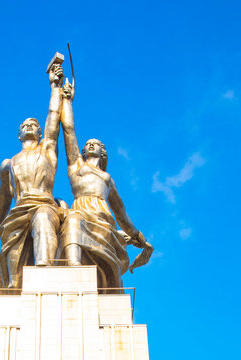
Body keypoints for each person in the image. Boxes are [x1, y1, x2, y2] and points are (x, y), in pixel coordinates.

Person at [0, 63, 64, 289]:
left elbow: (53, 117)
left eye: (34, 124)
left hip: (44, 204)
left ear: (40, 132)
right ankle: (16, 291)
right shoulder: (8, 164)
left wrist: (55, 87)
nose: (30, 126)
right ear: (19, 133)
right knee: (14, 281)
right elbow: (3, 201)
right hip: (17, 212)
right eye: (25, 125)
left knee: (43, 218)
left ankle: (45, 273)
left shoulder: (48, 152)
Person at [59, 80, 152, 289]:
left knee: (109, 273)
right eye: (87, 144)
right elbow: (68, 130)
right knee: (73, 219)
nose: (90, 144)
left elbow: (121, 213)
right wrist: (67, 100)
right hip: (81, 211)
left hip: (103, 219)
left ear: (103, 153)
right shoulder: (76, 167)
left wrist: (136, 234)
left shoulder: (107, 179)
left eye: (97, 144)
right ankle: (73, 267)